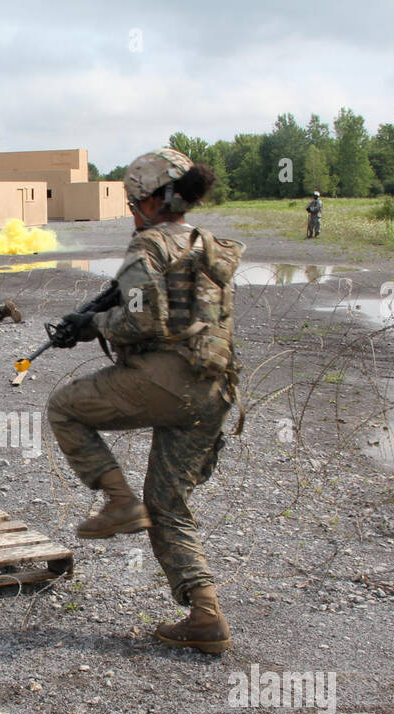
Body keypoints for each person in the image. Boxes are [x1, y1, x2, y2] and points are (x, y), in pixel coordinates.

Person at [45, 148, 244, 654]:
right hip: (214, 386)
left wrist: (92, 325)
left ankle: (117, 501)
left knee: (64, 407)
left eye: (133, 202)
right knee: (169, 504)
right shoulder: (207, 245)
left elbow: (139, 320)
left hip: (164, 380)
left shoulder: (147, 247)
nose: (132, 212)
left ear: (147, 201)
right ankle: (205, 616)